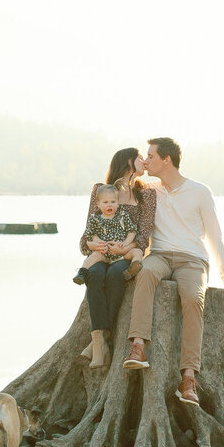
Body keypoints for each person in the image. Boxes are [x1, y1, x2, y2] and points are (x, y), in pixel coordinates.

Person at [120, 136, 224, 406]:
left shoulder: (200, 191)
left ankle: (188, 378)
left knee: (193, 298)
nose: (146, 160)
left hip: (192, 260)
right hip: (160, 255)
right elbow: (118, 191)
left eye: (151, 156)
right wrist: (136, 166)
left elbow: (215, 236)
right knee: (145, 273)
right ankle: (138, 347)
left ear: (167, 160)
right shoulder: (149, 189)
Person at [75, 147, 157, 369]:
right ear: (129, 162)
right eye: (141, 158)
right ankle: (99, 340)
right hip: (101, 252)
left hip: (125, 252)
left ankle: (100, 342)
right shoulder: (101, 191)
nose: (144, 161)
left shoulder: (146, 194)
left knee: (114, 275)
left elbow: (143, 234)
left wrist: (125, 248)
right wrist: (95, 245)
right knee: (93, 275)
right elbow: (87, 234)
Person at [74, 184, 141, 284]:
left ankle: (133, 268)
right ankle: (82, 272)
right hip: (104, 253)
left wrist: (125, 243)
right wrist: (99, 243)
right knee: (94, 256)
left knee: (137, 251)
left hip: (122, 252)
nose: (110, 205)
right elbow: (90, 235)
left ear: (118, 203)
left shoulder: (123, 216)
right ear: (98, 204)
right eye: (105, 202)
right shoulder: (95, 219)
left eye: (113, 202)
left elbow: (132, 231)